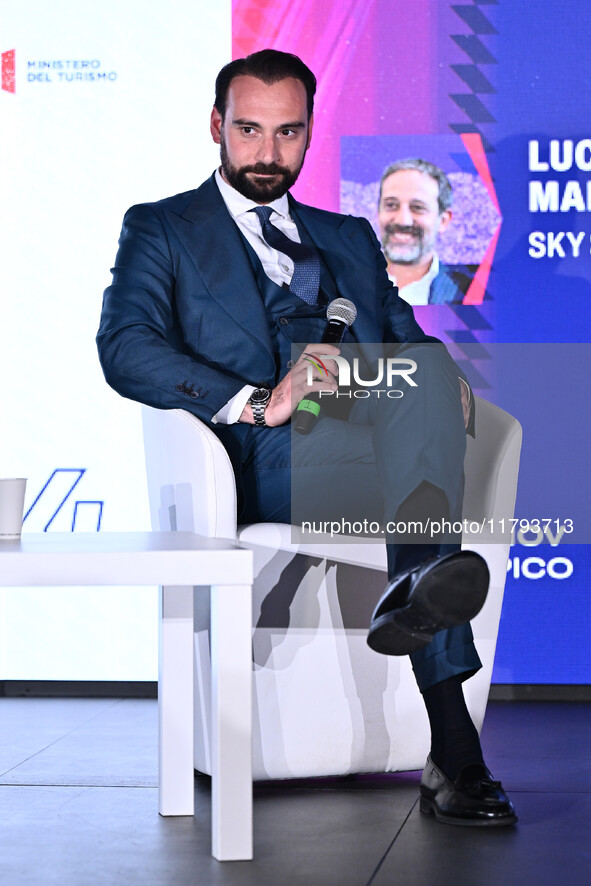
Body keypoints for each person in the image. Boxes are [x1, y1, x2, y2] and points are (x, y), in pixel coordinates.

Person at [97, 49, 516, 826]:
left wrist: (438, 370)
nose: (266, 153)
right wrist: (260, 401)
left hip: (374, 449)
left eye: (287, 133)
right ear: (216, 126)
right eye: (249, 130)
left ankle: (414, 600)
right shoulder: (161, 228)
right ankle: (454, 751)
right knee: (424, 496)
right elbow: (125, 347)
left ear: (310, 132)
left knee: (421, 381)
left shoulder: (348, 236)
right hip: (262, 459)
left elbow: (406, 338)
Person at [378, 158, 475, 305]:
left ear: (443, 220)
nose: (403, 220)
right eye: (391, 205)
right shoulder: (346, 285)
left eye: (418, 207)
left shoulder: (468, 292)